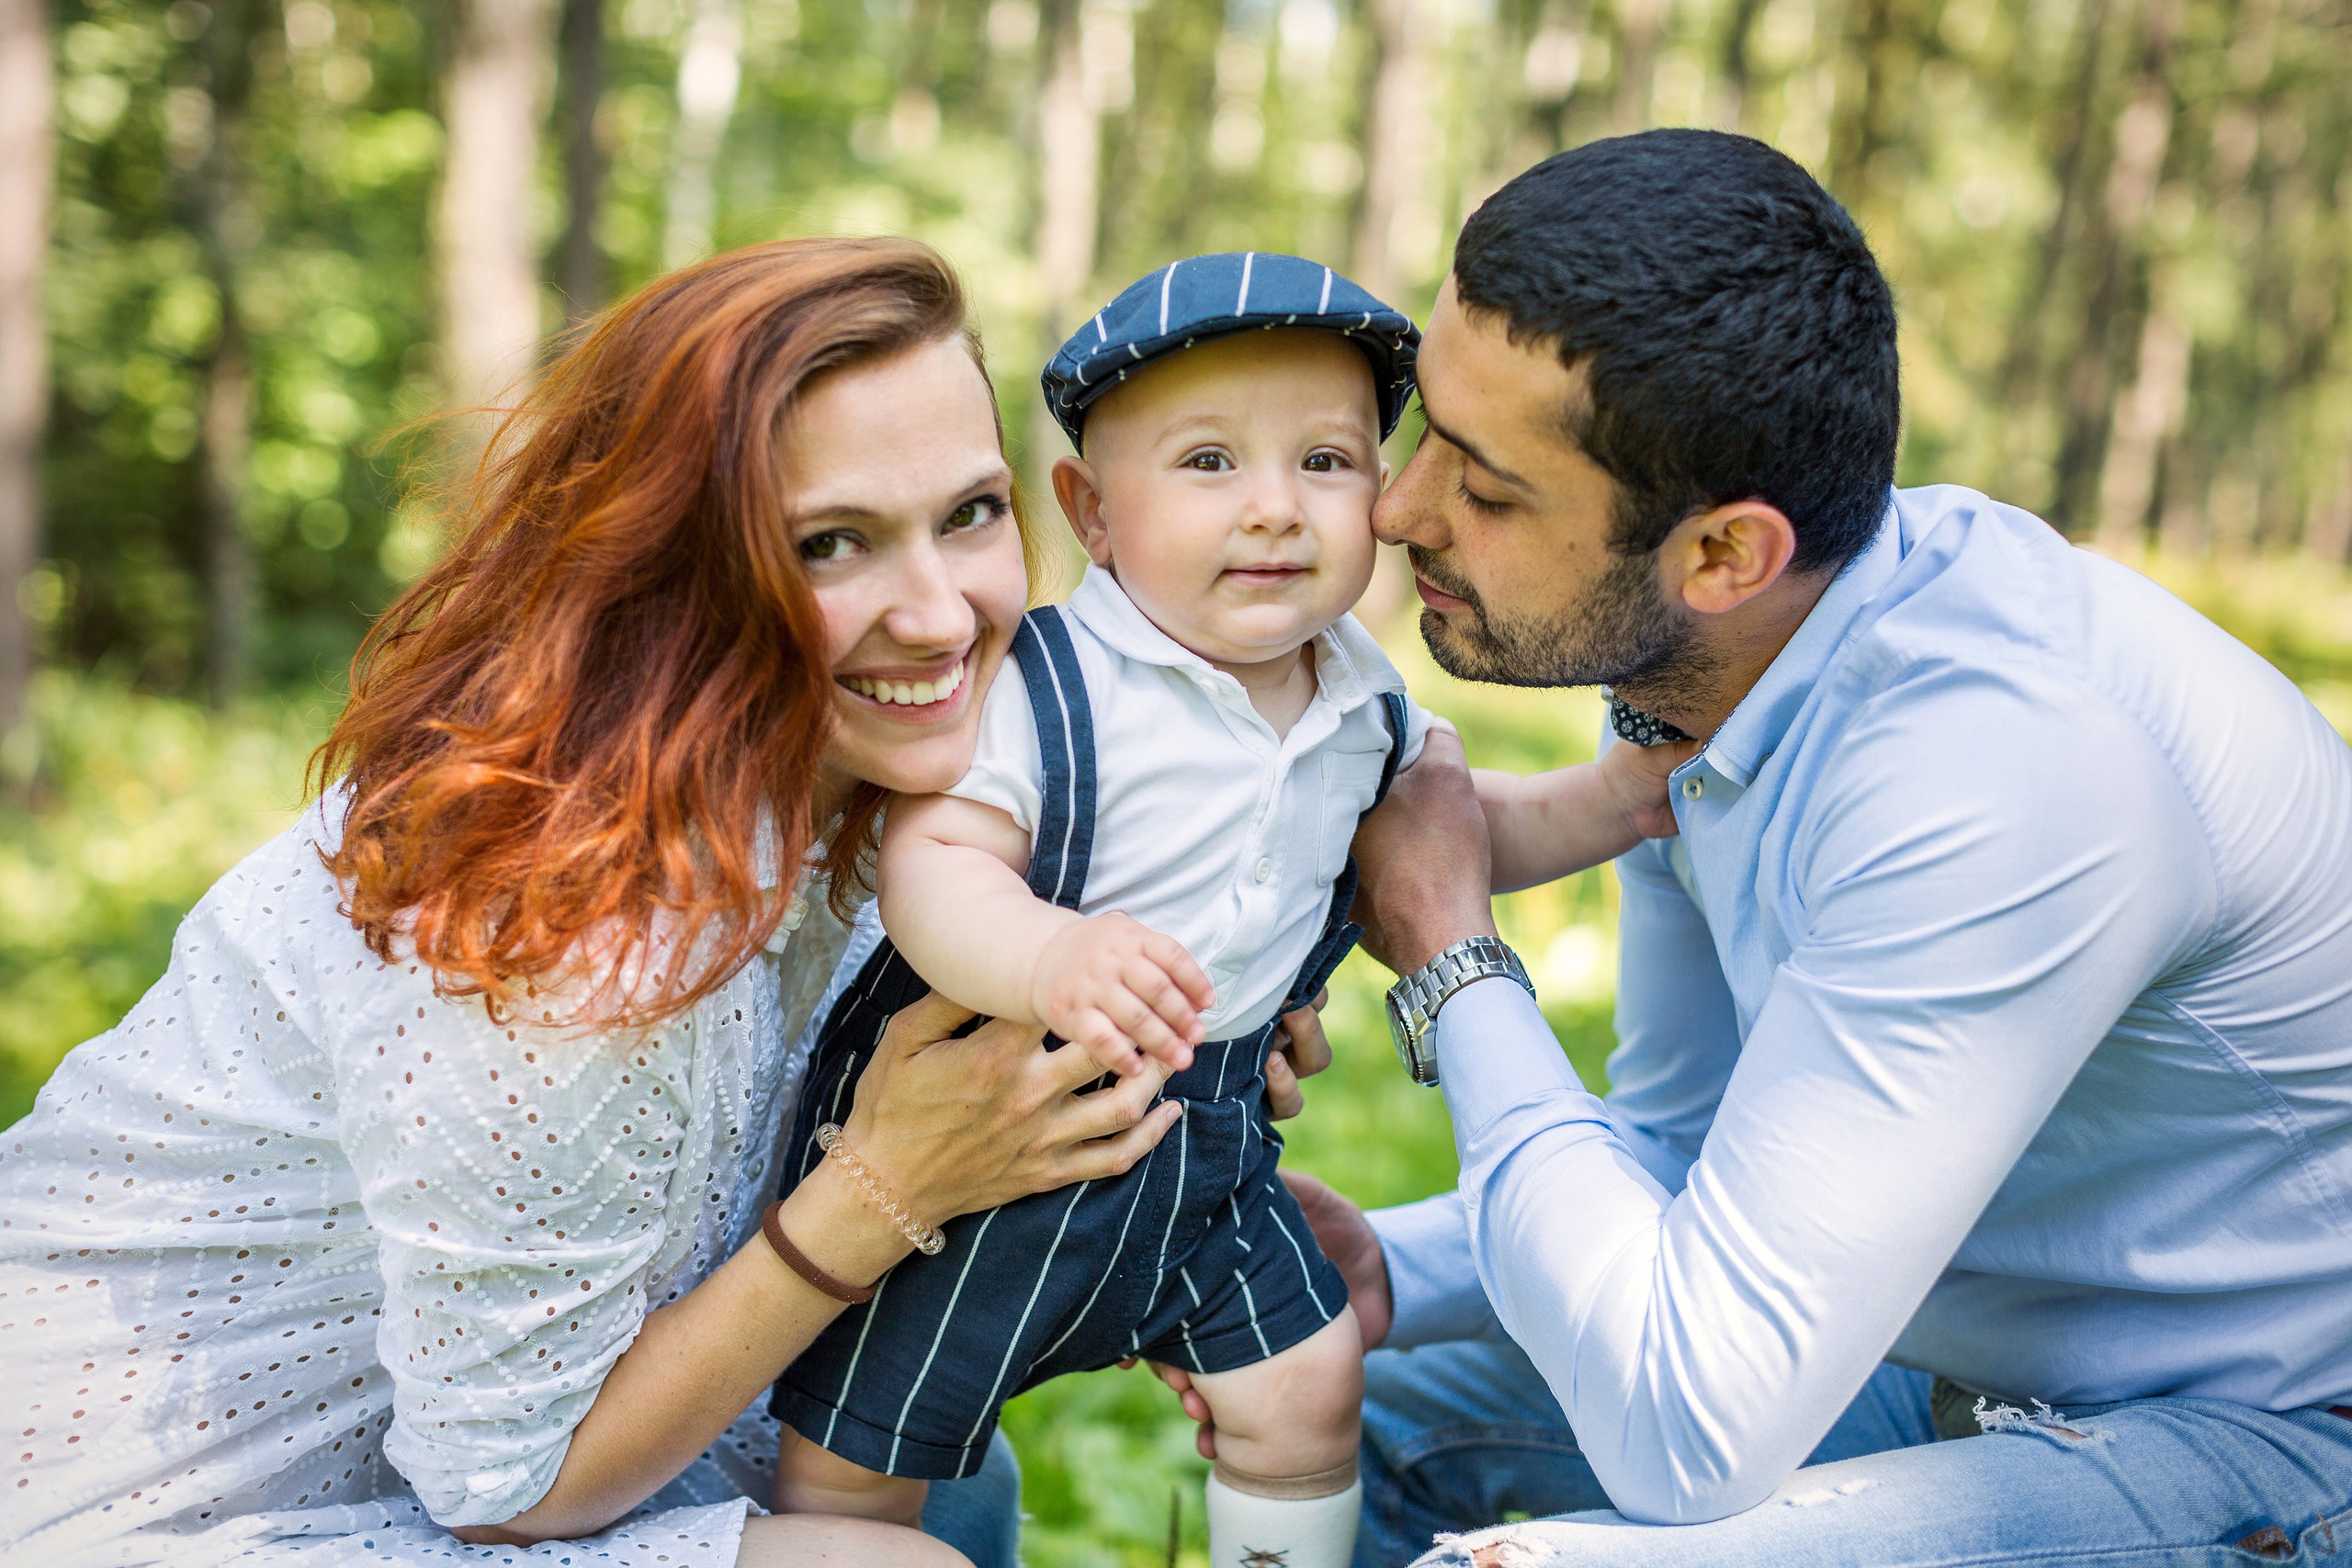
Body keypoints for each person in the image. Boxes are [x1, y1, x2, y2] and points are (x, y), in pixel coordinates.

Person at [1167, 130, 2352, 1567]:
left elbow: (1688, 1427)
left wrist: (1451, 951)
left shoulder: (2002, 775)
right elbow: (1682, 1152)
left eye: (1486, 487)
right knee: (1356, 1402)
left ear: (1725, 555)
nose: (1398, 509)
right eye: (1426, 433)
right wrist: (1396, 1269)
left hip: (2274, 1439)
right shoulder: (1710, 678)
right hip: (1955, 1369)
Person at [0, 238, 1188, 1568]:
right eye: (830, 543)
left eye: (969, 513)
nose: (939, 615)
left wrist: (1184, 1115)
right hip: (138, 1509)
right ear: (670, 570)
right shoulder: (557, 916)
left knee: (921, 1454)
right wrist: (886, 1190)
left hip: (488, 1440)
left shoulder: (880, 790)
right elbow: (507, 1489)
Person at [763, 254, 1691, 1568]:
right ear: (1092, 511)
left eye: (1326, 461)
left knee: (1311, 1385)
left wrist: (1607, 799)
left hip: (1209, 1147)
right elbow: (936, 863)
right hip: (992, 1135)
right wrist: (1049, 954)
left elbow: (1450, 835)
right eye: (1209, 463)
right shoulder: (1050, 680)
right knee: (862, 1456)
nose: (1275, 508)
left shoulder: (1361, 695)